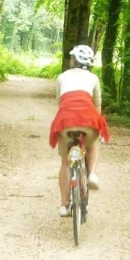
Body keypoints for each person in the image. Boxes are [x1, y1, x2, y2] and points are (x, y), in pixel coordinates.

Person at [49, 43, 110, 217]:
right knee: (94, 142)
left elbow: (60, 103)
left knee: (64, 163)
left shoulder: (61, 77)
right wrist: (97, 128)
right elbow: (97, 107)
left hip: (65, 121)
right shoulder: (94, 79)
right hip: (87, 120)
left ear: (73, 60)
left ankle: (64, 205)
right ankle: (91, 174)